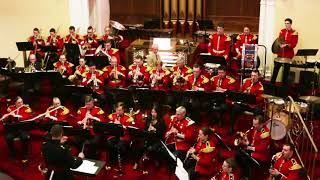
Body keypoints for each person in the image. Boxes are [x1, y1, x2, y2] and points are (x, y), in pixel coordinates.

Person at [132, 105, 166, 174]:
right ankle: (136, 162)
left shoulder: (161, 121)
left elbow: (162, 134)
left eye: (155, 112)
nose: (153, 114)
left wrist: (155, 130)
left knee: (151, 148)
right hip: (148, 137)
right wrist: (148, 129)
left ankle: (156, 159)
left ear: (158, 113)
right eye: (152, 112)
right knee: (141, 146)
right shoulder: (149, 118)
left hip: (157, 139)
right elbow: (144, 129)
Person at [106, 102, 135, 176]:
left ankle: (122, 160)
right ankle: (112, 160)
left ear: (123, 110)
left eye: (119, 110)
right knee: (109, 143)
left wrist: (120, 125)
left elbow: (129, 130)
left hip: (124, 136)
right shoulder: (112, 116)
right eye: (117, 110)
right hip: (114, 135)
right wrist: (113, 124)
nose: (117, 112)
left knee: (120, 145)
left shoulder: (128, 118)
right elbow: (108, 127)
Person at [1, 96, 32, 162]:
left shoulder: (27, 108)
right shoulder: (10, 108)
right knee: (8, 138)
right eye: (19, 102)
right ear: (15, 103)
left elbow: (27, 117)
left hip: (23, 128)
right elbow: (7, 119)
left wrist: (17, 116)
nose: (21, 104)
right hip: (13, 129)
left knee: (25, 137)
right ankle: (12, 153)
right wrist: (5, 117)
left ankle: (25, 155)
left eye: (22, 102)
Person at [271, 18, 298, 85]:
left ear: (291, 24)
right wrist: (280, 45)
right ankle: (271, 85)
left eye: (288, 23)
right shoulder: (282, 31)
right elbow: (279, 40)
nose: (286, 25)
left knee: (286, 72)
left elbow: (294, 44)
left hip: (288, 55)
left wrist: (286, 45)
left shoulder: (294, 32)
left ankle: (283, 88)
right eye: (285, 23)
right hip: (280, 54)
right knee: (275, 70)